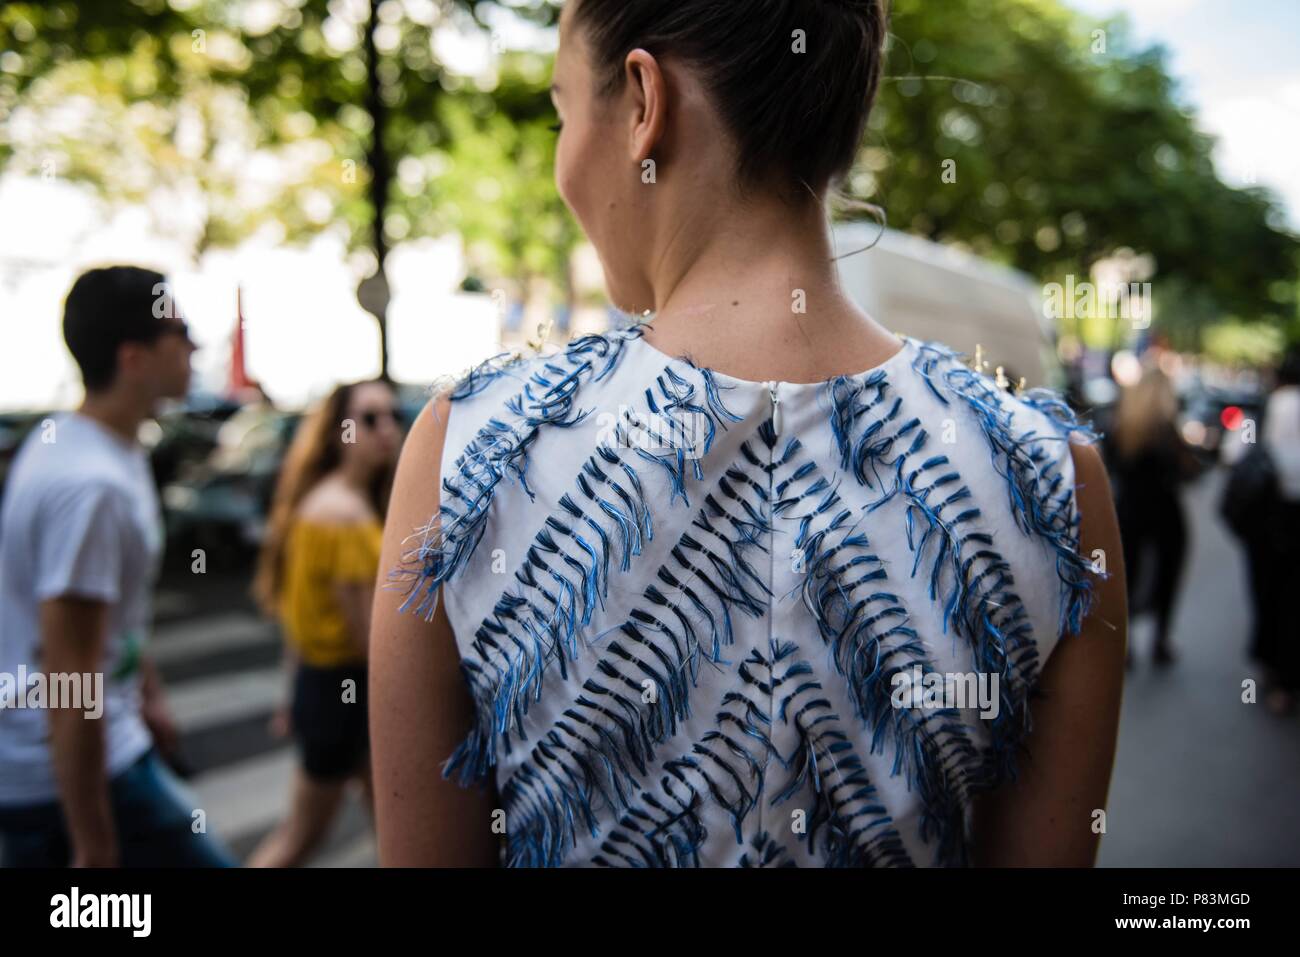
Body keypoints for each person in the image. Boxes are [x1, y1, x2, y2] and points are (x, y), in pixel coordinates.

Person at [371, 0, 1127, 868]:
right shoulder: (1052, 483)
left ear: (643, 101)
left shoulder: (467, 451)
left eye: (561, 112)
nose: (562, 161)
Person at [0, 264, 235, 867]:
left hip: (99, 752)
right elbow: (69, 674)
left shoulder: (86, 442)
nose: (194, 346)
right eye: (178, 331)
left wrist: (147, 690)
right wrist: (94, 846)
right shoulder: (90, 486)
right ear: (132, 357)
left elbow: (110, 612)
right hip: (69, 779)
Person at [247, 379, 401, 867]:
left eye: (391, 416)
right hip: (347, 693)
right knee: (303, 836)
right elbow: (368, 640)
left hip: (324, 688)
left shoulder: (321, 500)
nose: (386, 430)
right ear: (341, 434)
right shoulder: (345, 516)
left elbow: (297, 622)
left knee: (394, 828)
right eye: (369, 419)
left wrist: (292, 692)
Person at [1103, 365, 1200, 666]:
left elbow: (1110, 469)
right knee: (1167, 575)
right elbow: (1189, 472)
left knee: (1126, 578)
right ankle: (1161, 639)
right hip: (1165, 513)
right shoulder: (1168, 432)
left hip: (1128, 512)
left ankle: (1125, 645)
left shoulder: (1119, 427)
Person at [1222, 348, 1300, 714]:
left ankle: (1270, 668)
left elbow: (1236, 453)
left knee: (1267, 591)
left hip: (1268, 518)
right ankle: (1286, 676)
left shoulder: (1270, 406)